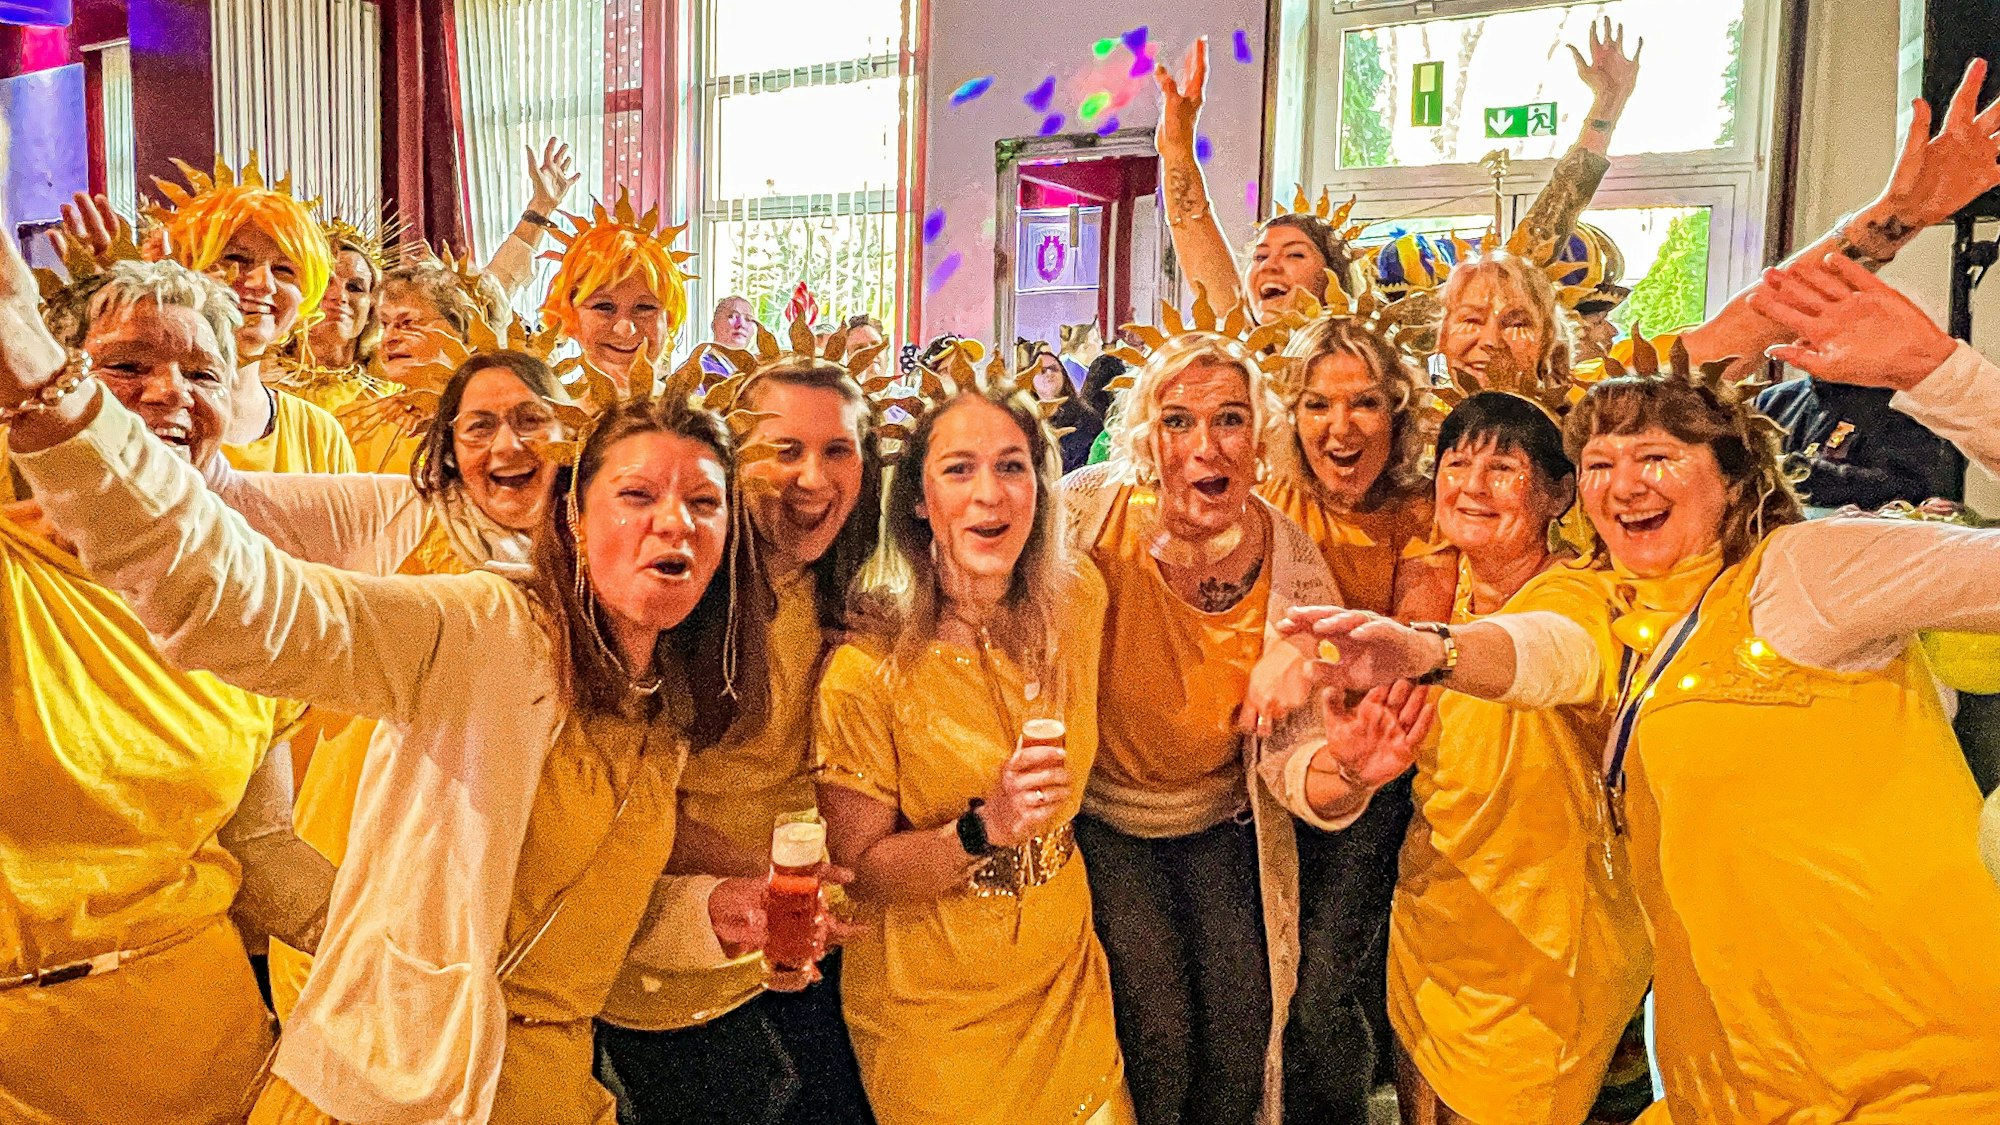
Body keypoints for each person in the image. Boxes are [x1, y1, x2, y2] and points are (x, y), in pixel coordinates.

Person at [1, 237, 850, 1123]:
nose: (671, 523)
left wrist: (720, 914)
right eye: (636, 496)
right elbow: (242, 594)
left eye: (702, 502)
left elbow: (576, 926)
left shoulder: (661, 701)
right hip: (394, 1092)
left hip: (548, 1089)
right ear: (574, 513)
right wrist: (44, 383)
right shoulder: (487, 626)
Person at [1283, 349, 2000, 1122]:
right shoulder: (1627, 609)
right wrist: (1432, 650)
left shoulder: (1805, 571)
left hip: (1902, 1064)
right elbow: (1549, 653)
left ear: (1734, 476)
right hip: (1726, 1068)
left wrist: (1940, 371)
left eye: (1657, 456)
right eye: (1601, 461)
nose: (1625, 482)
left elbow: (1549, 635)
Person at [0, 256, 332, 1124]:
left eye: (202, 372)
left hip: (208, 1055)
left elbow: (263, 851)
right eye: (127, 364)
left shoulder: (251, 597)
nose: (167, 394)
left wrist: (407, 940)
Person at [816, 359, 1131, 1125]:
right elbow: (860, 870)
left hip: (1066, 980)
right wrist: (985, 826)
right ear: (922, 502)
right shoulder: (867, 669)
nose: (989, 493)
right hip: (932, 1010)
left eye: (1011, 467)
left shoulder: (1078, 600)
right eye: (960, 469)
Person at [224, 350, 568, 1022]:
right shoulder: (399, 509)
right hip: (372, 818)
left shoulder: (593, 538)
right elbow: (231, 498)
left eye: (533, 420)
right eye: (479, 426)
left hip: (516, 832)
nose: (507, 443)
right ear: (446, 443)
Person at [1340, 392, 1650, 1125]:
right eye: (1457, 462)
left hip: (1543, 954)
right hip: (1434, 926)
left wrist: (1434, 651)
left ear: (1560, 494)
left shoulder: (1583, 597)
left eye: (1503, 466)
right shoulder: (1445, 592)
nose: (1472, 484)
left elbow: (1550, 655)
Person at [1059, 329, 1340, 1125]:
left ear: (1264, 437)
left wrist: (1331, 733)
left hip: (1222, 822)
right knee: (1156, 1029)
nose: (1203, 445)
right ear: (1147, 436)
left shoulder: (1289, 553)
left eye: (1229, 418)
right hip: (1107, 821)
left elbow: (1303, 752)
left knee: (1245, 1028)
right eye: (1177, 421)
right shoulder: (1087, 511)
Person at [597, 355, 882, 1125]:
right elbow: (624, 811)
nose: (813, 479)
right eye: (783, 450)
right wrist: (775, 884)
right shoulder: (680, 598)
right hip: (680, 970)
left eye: (837, 451)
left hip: (797, 952)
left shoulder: (841, 591)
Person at [1744, 247, 2000, 886]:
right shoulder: (1773, 404)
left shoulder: (1900, 403)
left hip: (1880, 627)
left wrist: (1935, 371)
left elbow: (1921, 500)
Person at [1151, 19, 1639, 326]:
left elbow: (1526, 253)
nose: (1268, 266)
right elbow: (1192, 225)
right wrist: (1176, 147)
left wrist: (1605, 113)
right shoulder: (1242, 346)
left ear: (1333, 276)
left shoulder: (1380, 337)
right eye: (1259, 257)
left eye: (1293, 254)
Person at [149, 154, 355, 475]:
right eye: (235, 259)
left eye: (284, 269)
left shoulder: (320, 436)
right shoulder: (145, 414)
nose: (262, 283)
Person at [542, 191, 694, 388]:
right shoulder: (545, 416)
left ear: (669, 318)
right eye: (604, 307)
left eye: (645, 308)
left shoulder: (695, 418)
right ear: (570, 316)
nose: (625, 330)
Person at [1751, 372, 1963, 509]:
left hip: (1869, 554)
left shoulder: (1907, 405)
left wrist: (1794, 471)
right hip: (1773, 552)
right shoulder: (1773, 401)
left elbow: (1914, 488)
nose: (1804, 340)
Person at [701, 295, 758, 377]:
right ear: (715, 324)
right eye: (732, 316)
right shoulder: (698, 370)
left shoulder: (757, 373)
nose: (741, 324)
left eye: (748, 319)